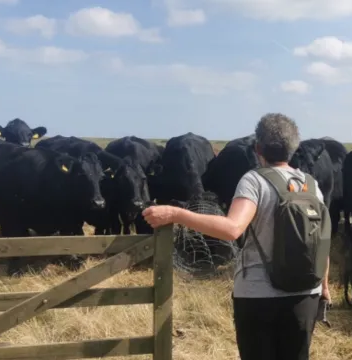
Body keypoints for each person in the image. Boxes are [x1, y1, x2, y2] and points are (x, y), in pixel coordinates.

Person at [142, 113, 331, 360]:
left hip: (259, 293)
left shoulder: (254, 180)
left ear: (257, 148)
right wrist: (324, 286)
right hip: (307, 291)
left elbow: (232, 228)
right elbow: (321, 240)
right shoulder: (309, 184)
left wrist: (177, 213)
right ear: (293, 148)